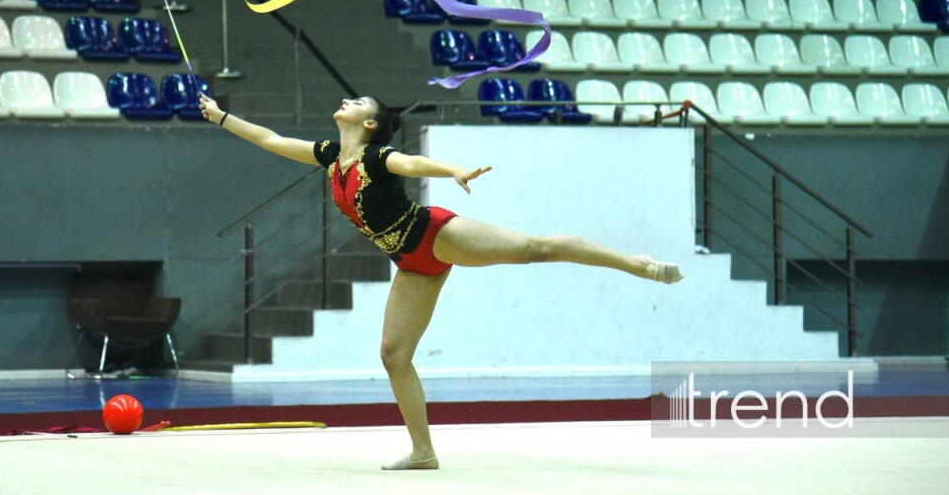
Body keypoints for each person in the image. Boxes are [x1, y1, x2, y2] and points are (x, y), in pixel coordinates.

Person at [198, 93, 683, 470]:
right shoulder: (330, 156)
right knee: (394, 356)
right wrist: (222, 117)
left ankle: (636, 264)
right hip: (410, 263)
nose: (347, 101)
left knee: (535, 249)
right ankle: (423, 451)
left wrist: (452, 169)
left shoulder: (377, 156)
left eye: (359, 102)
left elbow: (411, 165)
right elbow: (270, 140)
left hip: (435, 234)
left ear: (369, 124)